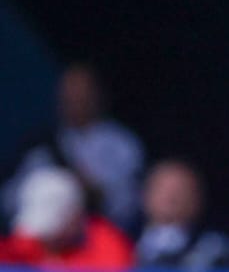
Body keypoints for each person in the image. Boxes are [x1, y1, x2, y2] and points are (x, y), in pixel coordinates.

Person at [4, 63, 144, 232]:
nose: (75, 100)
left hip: (99, 235)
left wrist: (94, 191)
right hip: (45, 239)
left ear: (97, 96)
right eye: (68, 95)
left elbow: (131, 204)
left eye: (82, 94)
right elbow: (9, 200)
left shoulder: (122, 144)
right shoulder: (42, 144)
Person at [0, 166, 135, 272]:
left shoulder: (108, 247)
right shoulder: (26, 240)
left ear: (75, 216)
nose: (47, 238)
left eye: (54, 228)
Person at [133, 159, 229, 272]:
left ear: (198, 199)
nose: (171, 198)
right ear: (144, 195)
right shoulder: (124, 242)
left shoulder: (215, 248)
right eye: (163, 189)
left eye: (181, 190)